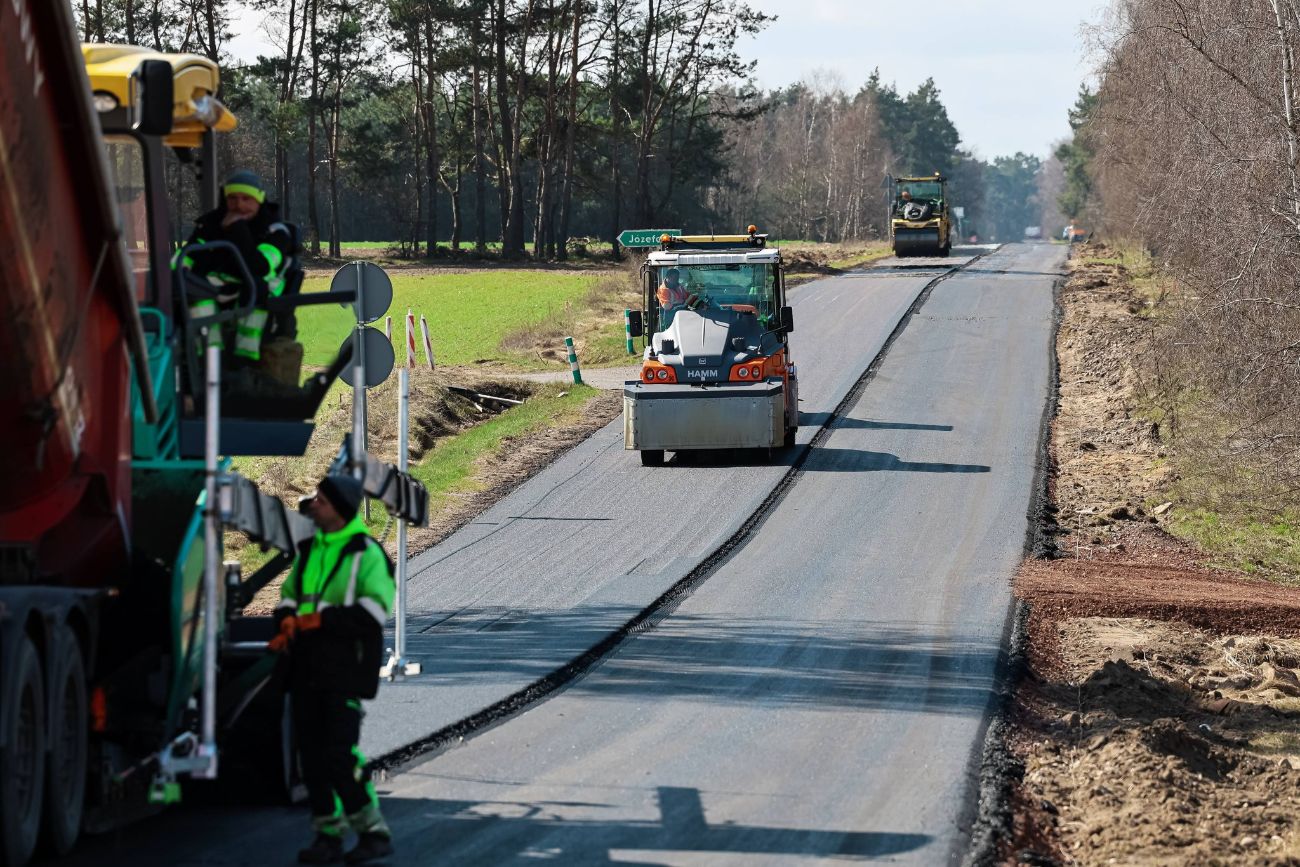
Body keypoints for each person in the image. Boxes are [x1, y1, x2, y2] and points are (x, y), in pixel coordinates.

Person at [271, 474, 395, 865]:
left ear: (339, 509)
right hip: (306, 668)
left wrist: (320, 621)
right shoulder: (310, 551)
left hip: (344, 671)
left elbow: (375, 610)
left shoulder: (366, 553)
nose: (313, 504)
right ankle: (328, 835)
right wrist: (288, 619)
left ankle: (372, 832)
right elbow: (290, 596)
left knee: (338, 757)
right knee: (310, 758)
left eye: (321, 500)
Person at [177, 170, 295, 364]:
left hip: (261, 291)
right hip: (219, 287)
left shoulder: (275, 232)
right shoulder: (209, 226)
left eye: (246, 199)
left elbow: (260, 268)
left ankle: (244, 361)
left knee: (255, 288)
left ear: (259, 200)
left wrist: (237, 230)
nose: (239, 205)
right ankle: (209, 358)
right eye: (232, 198)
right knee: (193, 293)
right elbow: (185, 259)